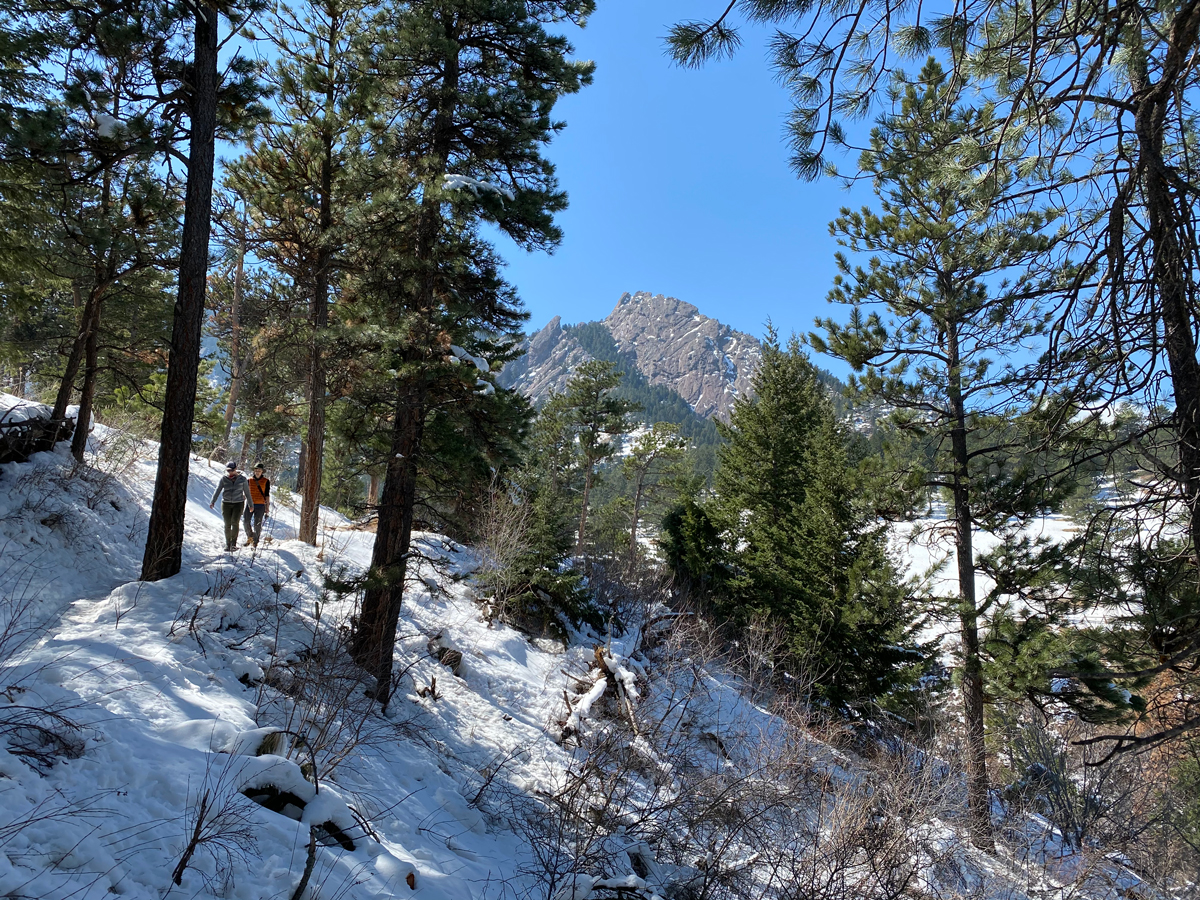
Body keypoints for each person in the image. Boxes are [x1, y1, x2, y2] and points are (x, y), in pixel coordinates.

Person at [209, 461, 253, 552]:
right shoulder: (224, 479)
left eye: (232, 470)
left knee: (235, 522)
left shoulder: (242, 479)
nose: (230, 472)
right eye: (228, 470)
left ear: (236, 469)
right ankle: (227, 544)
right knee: (227, 524)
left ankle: (233, 544)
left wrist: (250, 505)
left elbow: (247, 493)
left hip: (238, 503)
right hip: (226, 503)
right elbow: (218, 490)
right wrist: (213, 501)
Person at [243, 462, 271, 548]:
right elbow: (246, 493)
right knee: (246, 522)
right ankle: (250, 537)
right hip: (250, 504)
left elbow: (267, 495)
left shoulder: (266, 481)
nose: (257, 471)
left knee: (257, 524)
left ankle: (255, 541)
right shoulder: (249, 480)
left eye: (259, 470)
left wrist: (267, 507)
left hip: (260, 505)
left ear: (262, 471)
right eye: (256, 470)